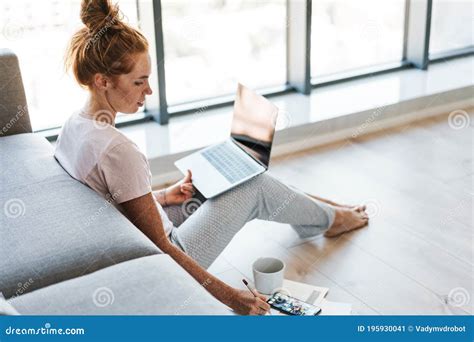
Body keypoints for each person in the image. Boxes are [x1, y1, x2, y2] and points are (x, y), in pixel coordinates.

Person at [55, 0, 369, 316]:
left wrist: (163, 196)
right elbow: (164, 249)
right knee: (254, 186)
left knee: (234, 178)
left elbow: (113, 203)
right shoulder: (118, 150)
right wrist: (230, 296)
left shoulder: (73, 126)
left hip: (141, 234)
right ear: (102, 80)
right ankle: (332, 218)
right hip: (168, 254)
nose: (149, 91)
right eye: (139, 81)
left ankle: (321, 214)